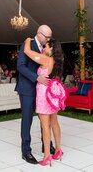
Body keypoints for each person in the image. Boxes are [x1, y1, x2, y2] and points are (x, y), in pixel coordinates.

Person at [15, 25, 55, 165]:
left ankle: (47, 146)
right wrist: (36, 78)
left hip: (41, 90)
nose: (48, 40)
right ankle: (26, 151)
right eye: (46, 37)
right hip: (27, 89)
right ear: (39, 33)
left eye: (50, 37)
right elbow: (20, 66)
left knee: (45, 119)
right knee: (27, 120)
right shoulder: (27, 44)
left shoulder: (46, 48)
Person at [23, 37, 65, 166]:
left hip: (44, 95)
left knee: (45, 126)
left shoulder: (46, 59)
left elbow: (27, 52)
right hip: (53, 95)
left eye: (46, 46)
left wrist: (28, 41)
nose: (43, 48)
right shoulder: (58, 61)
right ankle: (58, 150)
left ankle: (47, 156)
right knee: (54, 123)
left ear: (51, 48)